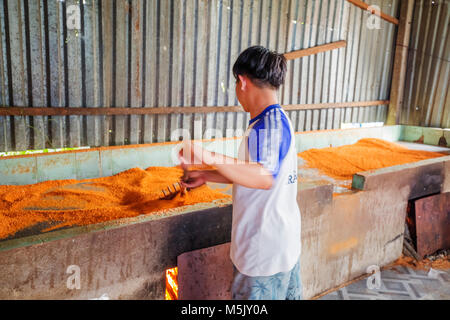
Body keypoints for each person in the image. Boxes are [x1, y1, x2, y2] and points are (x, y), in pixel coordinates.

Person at [179, 46, 302, 300]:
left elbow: (263, 177)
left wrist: (204, 153)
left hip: (263, 254)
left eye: (236, 84)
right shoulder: (271, 121)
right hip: (278, 246)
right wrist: (207, 175)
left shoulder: (268, 125)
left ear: (242, 82)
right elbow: (250, 170)